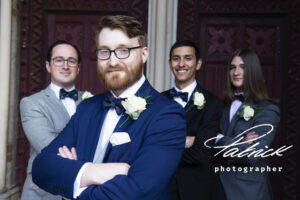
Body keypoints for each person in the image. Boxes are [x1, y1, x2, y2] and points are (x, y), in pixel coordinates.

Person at [32, 15, 186, 200]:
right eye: (105, 52)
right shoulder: (86, 108)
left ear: (144, 54)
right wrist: (93, 171)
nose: (113, 62)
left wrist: (74, 186)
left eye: (123, 50)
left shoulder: (167, 115)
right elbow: (42, 167)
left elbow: (137, 191)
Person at [20, 40, 84, 200]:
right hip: (44, 193)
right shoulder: (32, 103)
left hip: (86, 192)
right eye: (59, 60)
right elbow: (49, 147)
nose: (65, 66)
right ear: (48, 66)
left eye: (71, 61)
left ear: (78, 68)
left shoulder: (93, 102)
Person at [162, 40, 224, 200]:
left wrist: (164, 146)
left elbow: (202, 152)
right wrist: (186, 141)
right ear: (170, 63)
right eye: (176, 58)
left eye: (188, 58)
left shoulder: (213, 103)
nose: (181, 64)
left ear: (198, 64)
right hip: (162, 188)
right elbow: (146, 146)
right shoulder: (157, 101)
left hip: (199, 190)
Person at [215, 49, 280, 200]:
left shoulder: (268, 110)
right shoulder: (221, 107)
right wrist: (239, 142)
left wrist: (219, 138)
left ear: (252, 71)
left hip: (247, 193)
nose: (236, 72)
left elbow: (251, 154)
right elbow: (205, 144)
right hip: (216, 188)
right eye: (232, 67)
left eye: (242, 67)